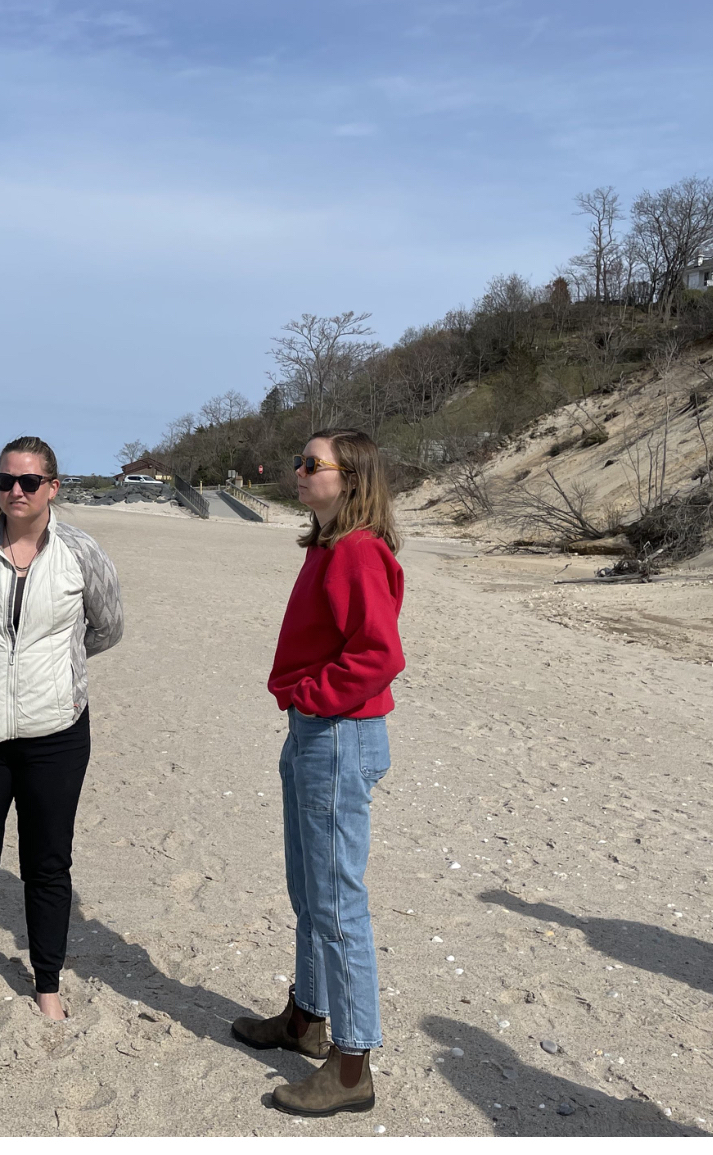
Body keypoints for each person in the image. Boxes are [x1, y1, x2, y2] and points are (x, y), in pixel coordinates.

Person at [233, 428, 404, 1117]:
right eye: (299, 462)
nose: (299, 471)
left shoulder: (359, 549)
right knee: (308, 889)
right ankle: (306, 1018)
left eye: (312, 463)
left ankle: (353, 1062)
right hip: (315, 731)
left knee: (337, 902)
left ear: (350, 477)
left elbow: (379, 654)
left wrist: (312, 696)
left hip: (338, 734)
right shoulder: (330, 545)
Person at [0, 436, 124, 1020]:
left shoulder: (81, 552)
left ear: (52, 488)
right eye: (4, 480)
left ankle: (48, 985)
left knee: (47, 863)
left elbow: (107, 627)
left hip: (56, 732)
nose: (15, 490)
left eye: (29, 481)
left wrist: (57, 668)